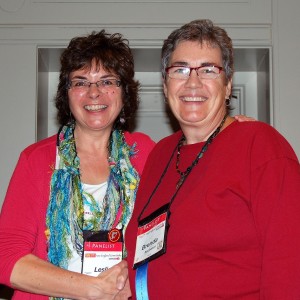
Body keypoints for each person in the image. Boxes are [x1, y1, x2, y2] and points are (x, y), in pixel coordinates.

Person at [125, 19, 300, 299]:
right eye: (180, 69)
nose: (192, 82)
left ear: (228, 85)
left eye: (208, 70)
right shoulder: (160, 155)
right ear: (165, 83)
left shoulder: (261, 146)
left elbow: (290, 268)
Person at [0, 30, 156, 299]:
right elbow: (6, 258)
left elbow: (170, 235)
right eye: (80, 82)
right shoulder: (36, 159)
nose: (94, 93)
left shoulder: (144, 152)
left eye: (107, 81)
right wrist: (92, 289)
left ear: (124, 91)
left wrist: (227, 127)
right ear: (67, 93)